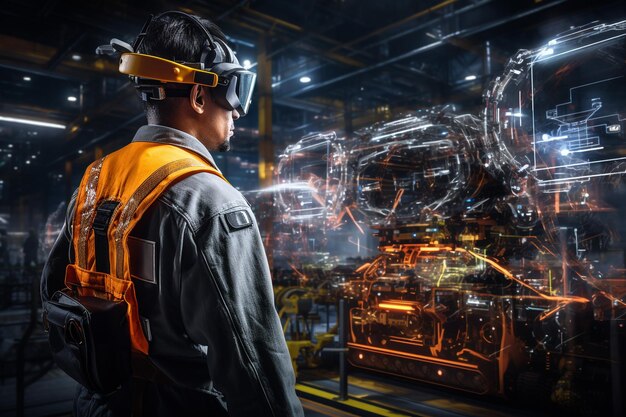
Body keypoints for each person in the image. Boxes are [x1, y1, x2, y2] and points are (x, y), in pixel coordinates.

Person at [40, 11, 304, 417]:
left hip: (97, 402)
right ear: (199, 96)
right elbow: (254, 366)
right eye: (234, 92)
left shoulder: (95, 180)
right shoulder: (211, 202)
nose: (237, 112)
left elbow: (53, 290)